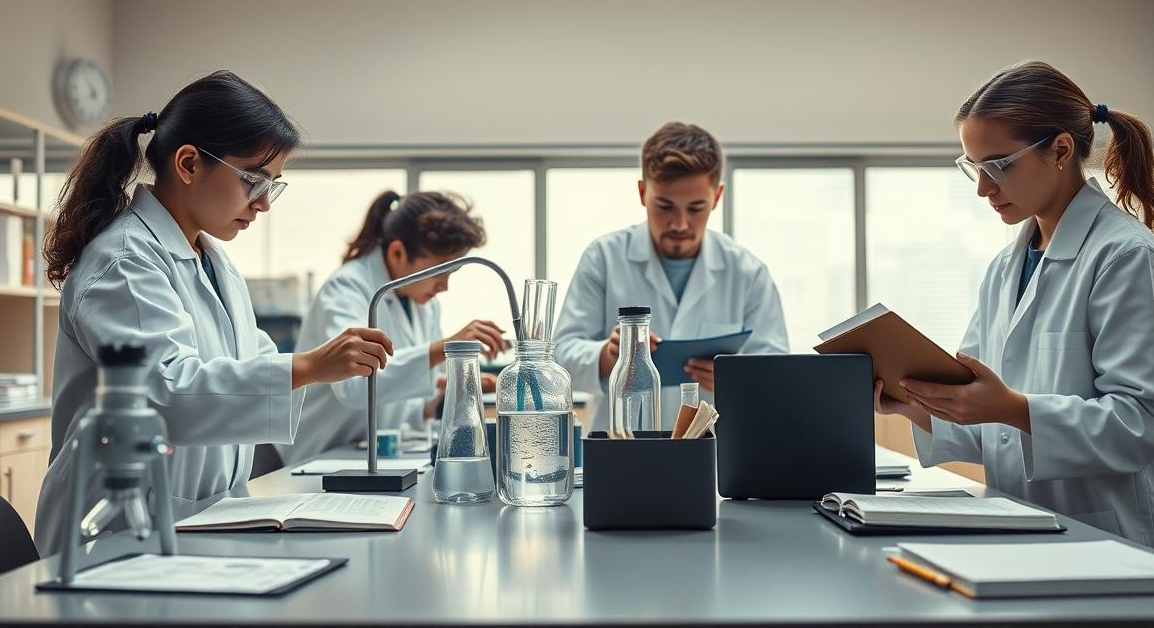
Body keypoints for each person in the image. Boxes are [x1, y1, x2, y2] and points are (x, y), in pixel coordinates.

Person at [36, 71, 393, 554]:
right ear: (188, 164)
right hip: (113, 533)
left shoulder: (213, 260)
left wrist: (315, 366)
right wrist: (308, 365)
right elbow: (167, 394)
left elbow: (250, 360)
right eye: (253, 180)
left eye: (272, 186)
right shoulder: (122, 260)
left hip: (202, 519)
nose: (263, 204)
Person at [877, 60, 1154, 557]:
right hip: (1027, 530)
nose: (983, 188)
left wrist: (1012, 408)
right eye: (974, 168)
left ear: (1060, 151)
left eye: (998, 166)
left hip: (1118, 546)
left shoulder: (1127, 257)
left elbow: (1140, 424)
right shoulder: (1005, 269)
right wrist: (917, 404)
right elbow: (995, 431)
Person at [555, 122, 789, 432]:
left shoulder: (748, 272)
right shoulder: (603, 257)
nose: (680, 224)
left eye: (696, 208)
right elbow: (559, 360)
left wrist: (733, 376)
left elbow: (778, 375)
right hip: (624, 448)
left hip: (716, 450)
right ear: (643, 192)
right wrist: (609, 356)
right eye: (665, 206)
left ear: (717, 196)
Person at [278, 190, 503, 465]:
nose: (444, 286)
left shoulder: (423, 304)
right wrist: (442, 349)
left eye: (451, 274)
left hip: (375, 455)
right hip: (321, 456)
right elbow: (354, 387)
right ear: (398, 252)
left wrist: (447, 389)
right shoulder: (346, 288)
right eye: (440, 272)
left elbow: (402, 402)